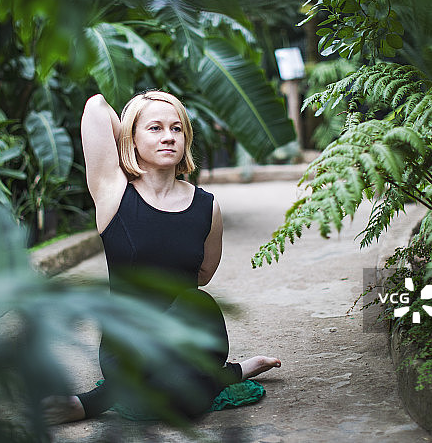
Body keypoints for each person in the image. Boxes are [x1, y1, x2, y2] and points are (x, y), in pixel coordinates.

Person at [44, 91, 280, 424]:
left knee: (195, 301)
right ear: (132, 139)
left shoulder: (206, 206)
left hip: (189, 339)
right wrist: (142, 109)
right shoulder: (113, 192)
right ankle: (231, 373)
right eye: (154, 128)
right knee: (184, 396)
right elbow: (96, 106)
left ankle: (94, 402)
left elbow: (203, 274)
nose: (168, 136)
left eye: (177, 128)